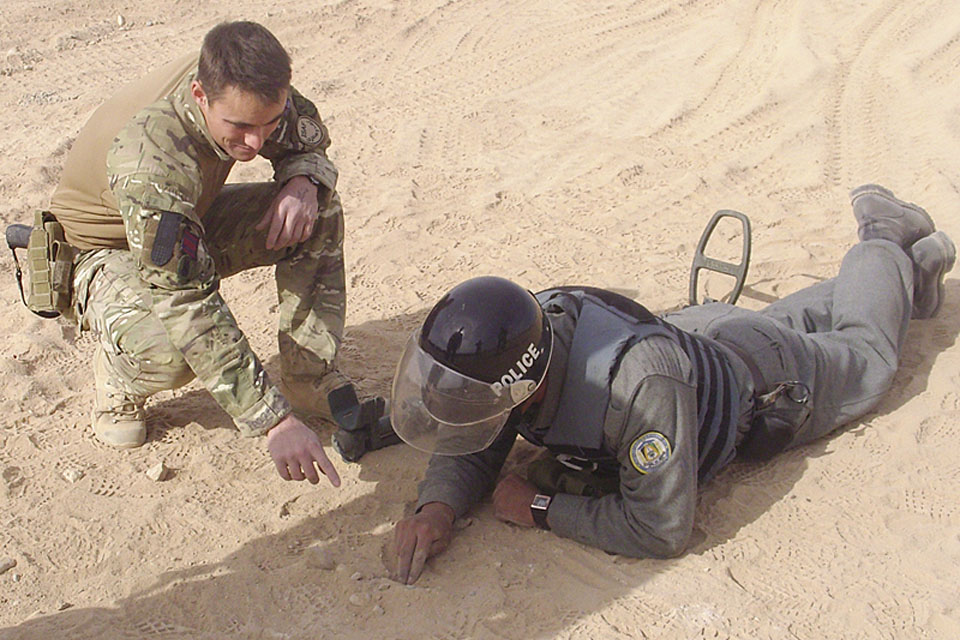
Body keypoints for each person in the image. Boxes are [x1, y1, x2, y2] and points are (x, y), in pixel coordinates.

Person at [388, 184, 955, 584]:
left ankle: (883, 234)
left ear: (524, 385)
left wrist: (538, 507)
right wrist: (437, 507)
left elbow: (661, 527)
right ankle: (914, 271)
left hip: (762, 378)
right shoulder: (523, 331)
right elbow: (475, 430)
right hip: (697, 339)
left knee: (863, 353)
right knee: (784, 323)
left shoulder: (638, 391)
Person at [46, 21, 344, 486]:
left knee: (316, 207)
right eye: (241, 128)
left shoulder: (247, 83)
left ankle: (307, 378)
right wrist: (272, 420)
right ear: (199, 95)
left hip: (186, 216)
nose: (256, 142)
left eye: (268, 124)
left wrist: (302, 177)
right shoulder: (149, 155)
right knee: (172, 348)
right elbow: (184, 298)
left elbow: (304, 139)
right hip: (102, 250)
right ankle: (118, 373)